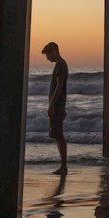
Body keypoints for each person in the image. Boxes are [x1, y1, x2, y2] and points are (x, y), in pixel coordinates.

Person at [42, 42, 68, 173]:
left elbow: (59, 86)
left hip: (58, 106)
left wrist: (52, 103)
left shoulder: (60, 65)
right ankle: (63, 166)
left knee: (59, 135)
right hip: (57, 105)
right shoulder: (60, 65)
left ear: (53, 52)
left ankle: (64, 166)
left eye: (47, 54)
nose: (47, 58)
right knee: (57, 135)